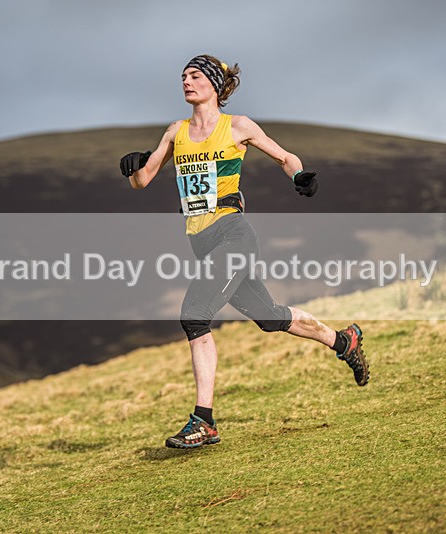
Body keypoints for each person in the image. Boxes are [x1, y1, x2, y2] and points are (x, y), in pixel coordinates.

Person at [119, 54, 369, 449]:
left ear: (215, 85)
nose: (186, 81)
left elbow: (285, 157)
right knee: (270, 317)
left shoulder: (238, 126)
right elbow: (143, 180)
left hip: (233, 235)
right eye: (183, 76)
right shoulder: (175, 132)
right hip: (202, 242)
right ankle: (344, 341)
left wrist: (299, 176)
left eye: (195, 75)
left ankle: (204, 421)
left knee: (194, 315)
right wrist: (133, 166)